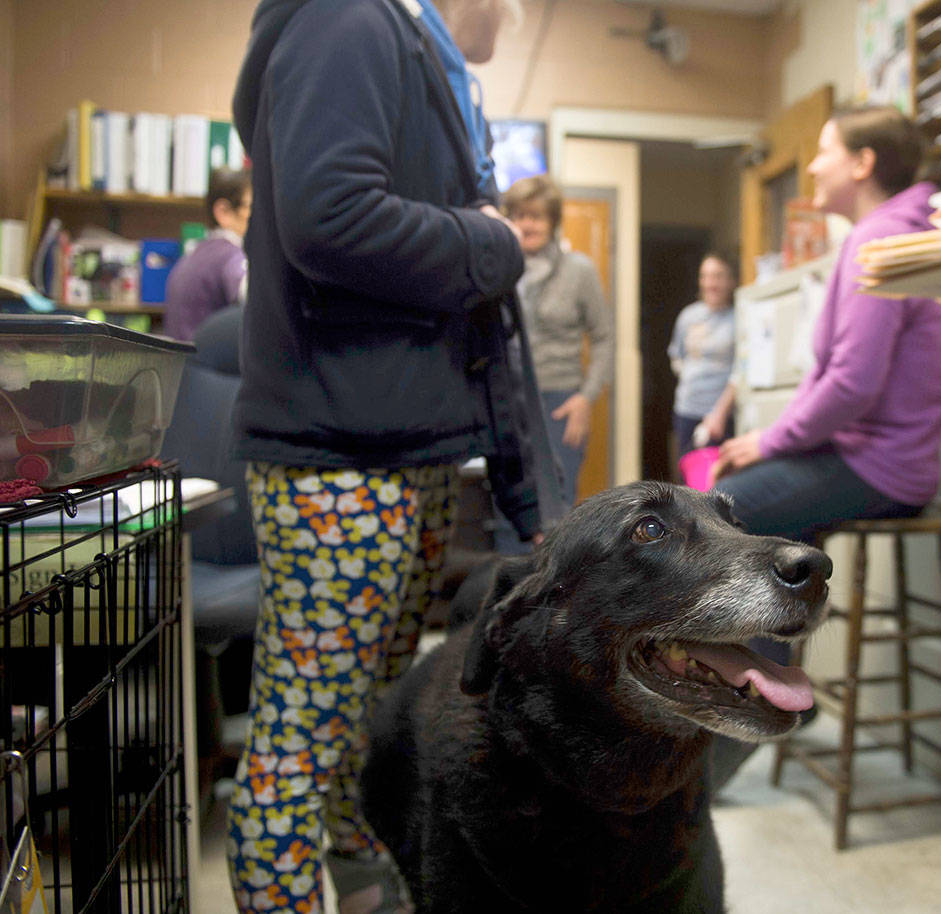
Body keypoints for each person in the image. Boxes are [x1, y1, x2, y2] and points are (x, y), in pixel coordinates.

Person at [225, 1, 553, 913]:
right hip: (342, 458)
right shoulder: (348, 20)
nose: (515, 12)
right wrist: (491, 240)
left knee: (356, 734)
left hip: (397, 450)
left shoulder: (416, 52)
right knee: (302, 746)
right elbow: (330, 216)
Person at [707, 104, 941, 791]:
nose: (812, 166)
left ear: (863, 163)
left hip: (883, 466)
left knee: (727, 518)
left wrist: (768, 440)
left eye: (823, 151)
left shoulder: (884, 241)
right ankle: (772, 695)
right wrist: (772, 442)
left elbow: (853, 383)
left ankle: (749, 712)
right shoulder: (876, 237)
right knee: (741, 519)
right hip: (863, 457)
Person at [502, 174, 613, 508]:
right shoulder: (497, 270)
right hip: (508, 401)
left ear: (552, 222)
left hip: (560, 403)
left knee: (558, 505)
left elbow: (604, 337)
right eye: (519, 216)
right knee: (509, 505)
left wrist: (586, 398)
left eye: (536, 216)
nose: (527, 225)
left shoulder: (580, 270)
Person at [164, 167, 251, 341]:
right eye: (253, 207)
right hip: (211, 364)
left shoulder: (195, 254)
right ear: (224, 212)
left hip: (184, 365)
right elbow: (255, 301)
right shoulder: (231, 256)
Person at [668, 252, 737, 460]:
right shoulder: (688, 316)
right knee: (687, 482)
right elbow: (676, 356)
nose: (710, 283)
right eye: (705, 276)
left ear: (730, 281)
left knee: (717, 485)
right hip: (686, 409)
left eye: (717, 276)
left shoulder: (738, 318)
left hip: (720, 415)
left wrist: (719, 413)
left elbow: (742, 371)